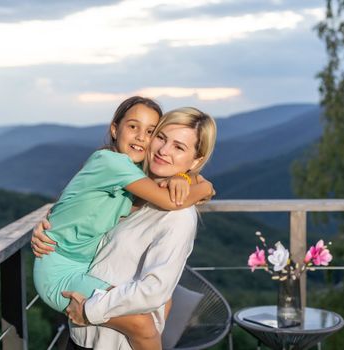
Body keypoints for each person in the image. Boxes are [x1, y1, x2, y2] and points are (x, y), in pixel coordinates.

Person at [33, 97, 214, 350]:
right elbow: (81, 210)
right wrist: (48, 225)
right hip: (81, 333)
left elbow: (154, 291)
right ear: (115, 128)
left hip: (109, 340)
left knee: (145, 327)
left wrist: (90, 309)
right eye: (161, 138)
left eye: (179, 147)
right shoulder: (132, 178)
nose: (162, 150)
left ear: (195, 160)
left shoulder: (178, 216)